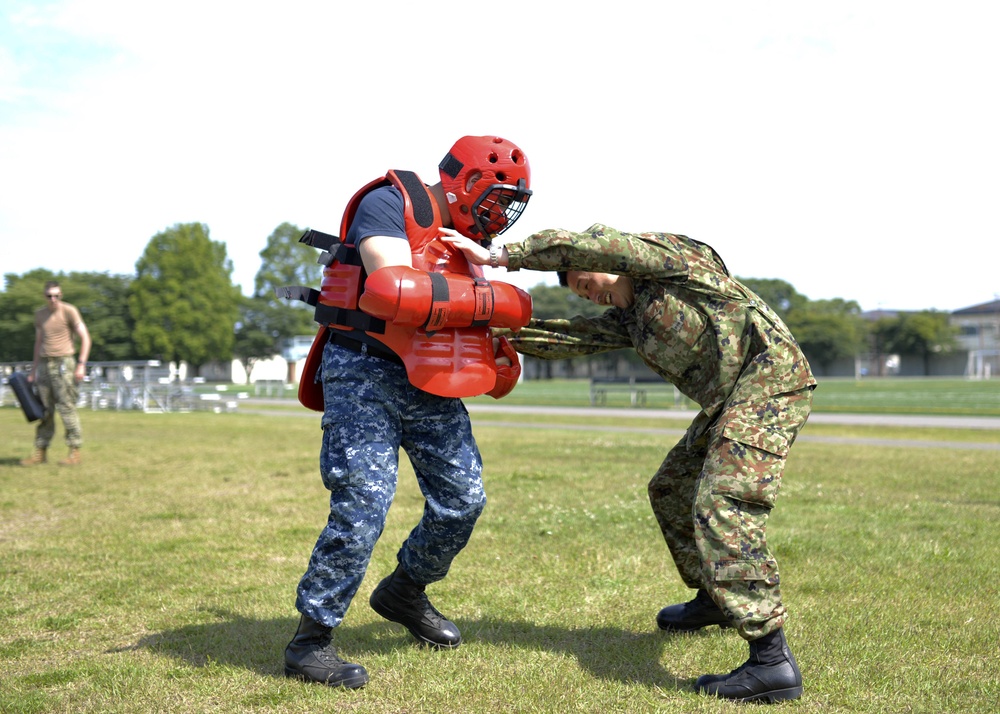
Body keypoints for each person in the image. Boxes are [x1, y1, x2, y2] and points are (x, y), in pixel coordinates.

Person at [442, 223, 817, 704]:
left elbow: (596, 242)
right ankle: (716, 599)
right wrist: (484, 327)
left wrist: (502, 257)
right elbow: (570, 339)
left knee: (723, 504)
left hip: (768, 381)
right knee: (670, 487)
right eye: (579, 292)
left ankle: (771, 661)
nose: (588, 295)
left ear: (607, 262)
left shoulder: (668, 267)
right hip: (729, 402)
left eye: (584, 282)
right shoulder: (634, 317)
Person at [279, 136, 533, 689]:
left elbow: (450, 308)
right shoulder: (392, 203)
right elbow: (398, 290)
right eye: (496, 196)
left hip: (432, 378)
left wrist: (490, 338)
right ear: (465, 182)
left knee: (463, 502)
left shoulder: (472, 241)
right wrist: (498, 302)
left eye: (511, 201)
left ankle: (404, 590)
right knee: (363, 504)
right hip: (365, 369)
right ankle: (310, 640)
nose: (501, 212)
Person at [21, 280, 91, 467]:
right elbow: (38, 342)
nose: (53, 299)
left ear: (61, 295)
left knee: (66, 408)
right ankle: (40, 452)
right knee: (45, 411)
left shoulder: (69, 311)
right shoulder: (40, 314)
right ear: (44, 296)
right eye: (49, 296)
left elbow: (85, 337)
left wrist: (81, 365)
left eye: (57, 296)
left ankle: (74, 452)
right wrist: (34, 370)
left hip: (64, 363)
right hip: (44, 364)